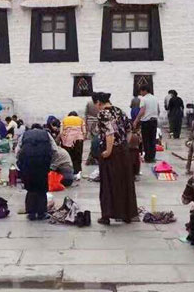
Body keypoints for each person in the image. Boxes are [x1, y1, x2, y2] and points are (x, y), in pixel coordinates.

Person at [95, 92, 138, 225]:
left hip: (111, 153)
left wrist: (108, 151)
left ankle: (107, 215)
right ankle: (127, 215)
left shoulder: (103, 114)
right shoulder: (120, 111)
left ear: (98, 102)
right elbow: (130, 129)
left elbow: (109, 133)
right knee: (124, 182)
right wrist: (124, 143)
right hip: (124, 151)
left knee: (108, 183)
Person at [17, 125, 53, 220]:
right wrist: (50, 164)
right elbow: (55, 150)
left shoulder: (24, 134)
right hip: (42, 163)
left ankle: (31, 213)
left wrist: (20, 163)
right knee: (42, 188)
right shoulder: (47, 134)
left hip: (28, 163)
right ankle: (42, 213)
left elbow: (17, 151)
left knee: (30, 188)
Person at [133, 85, 160, 163]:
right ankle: (152, 157)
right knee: (152, 139)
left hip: (146, 121)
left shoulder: (144, 99)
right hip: (154, 121)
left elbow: (142, 111)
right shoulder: (155, 98)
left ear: (144, 91)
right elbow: (158, 110)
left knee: (146, 140)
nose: (141, 93)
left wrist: (136, 120)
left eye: (141, 91)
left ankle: (147, 158)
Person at [60, 111, 86, 178]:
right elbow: (84, 132)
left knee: (68, 156)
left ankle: (69, 173)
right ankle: (77, 173)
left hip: (67, 141)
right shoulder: (80, 119)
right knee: (78, 156)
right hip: (78, 140)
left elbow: (61, 132)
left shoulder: (64, 119)